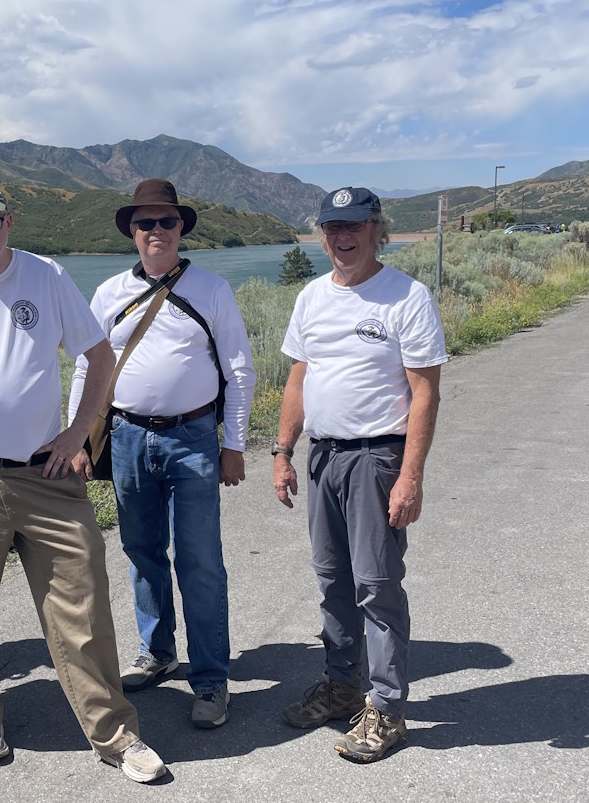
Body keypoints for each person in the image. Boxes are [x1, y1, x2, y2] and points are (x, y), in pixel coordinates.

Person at [0, 178, 166, 783]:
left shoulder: (45, 276)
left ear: (9, 222)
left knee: (83, 598)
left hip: (46, 475)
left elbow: (98, 357)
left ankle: (114, 732)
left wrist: (78, 433)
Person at [68, 178, 255, 729]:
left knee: (199, 560)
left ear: (181, 229)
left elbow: (238, 370)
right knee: (142, 551)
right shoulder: (106, 294)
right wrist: (79, 437)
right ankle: (157, 652)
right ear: (131, 230)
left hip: (193, 438)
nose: (155, 231)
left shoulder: (212, 289)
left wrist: (235, 444)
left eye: (165, 222)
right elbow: (86, 367)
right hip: (126, 438)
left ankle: (211, 678)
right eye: (145, 222)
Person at [273, 187, 448, 763]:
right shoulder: (312, 297)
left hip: (378, 458)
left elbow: (425, 392)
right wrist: (282, 450)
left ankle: (388, 708)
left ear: (376, 228)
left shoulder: (406, 296)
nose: (342, 238)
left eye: (354, 226)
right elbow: (299, 379)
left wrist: (411, 476)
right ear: (320, 233)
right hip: (323, 457)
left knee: (375, 584)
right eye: (331, 228)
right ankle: (344, 685)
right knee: (332, 579)